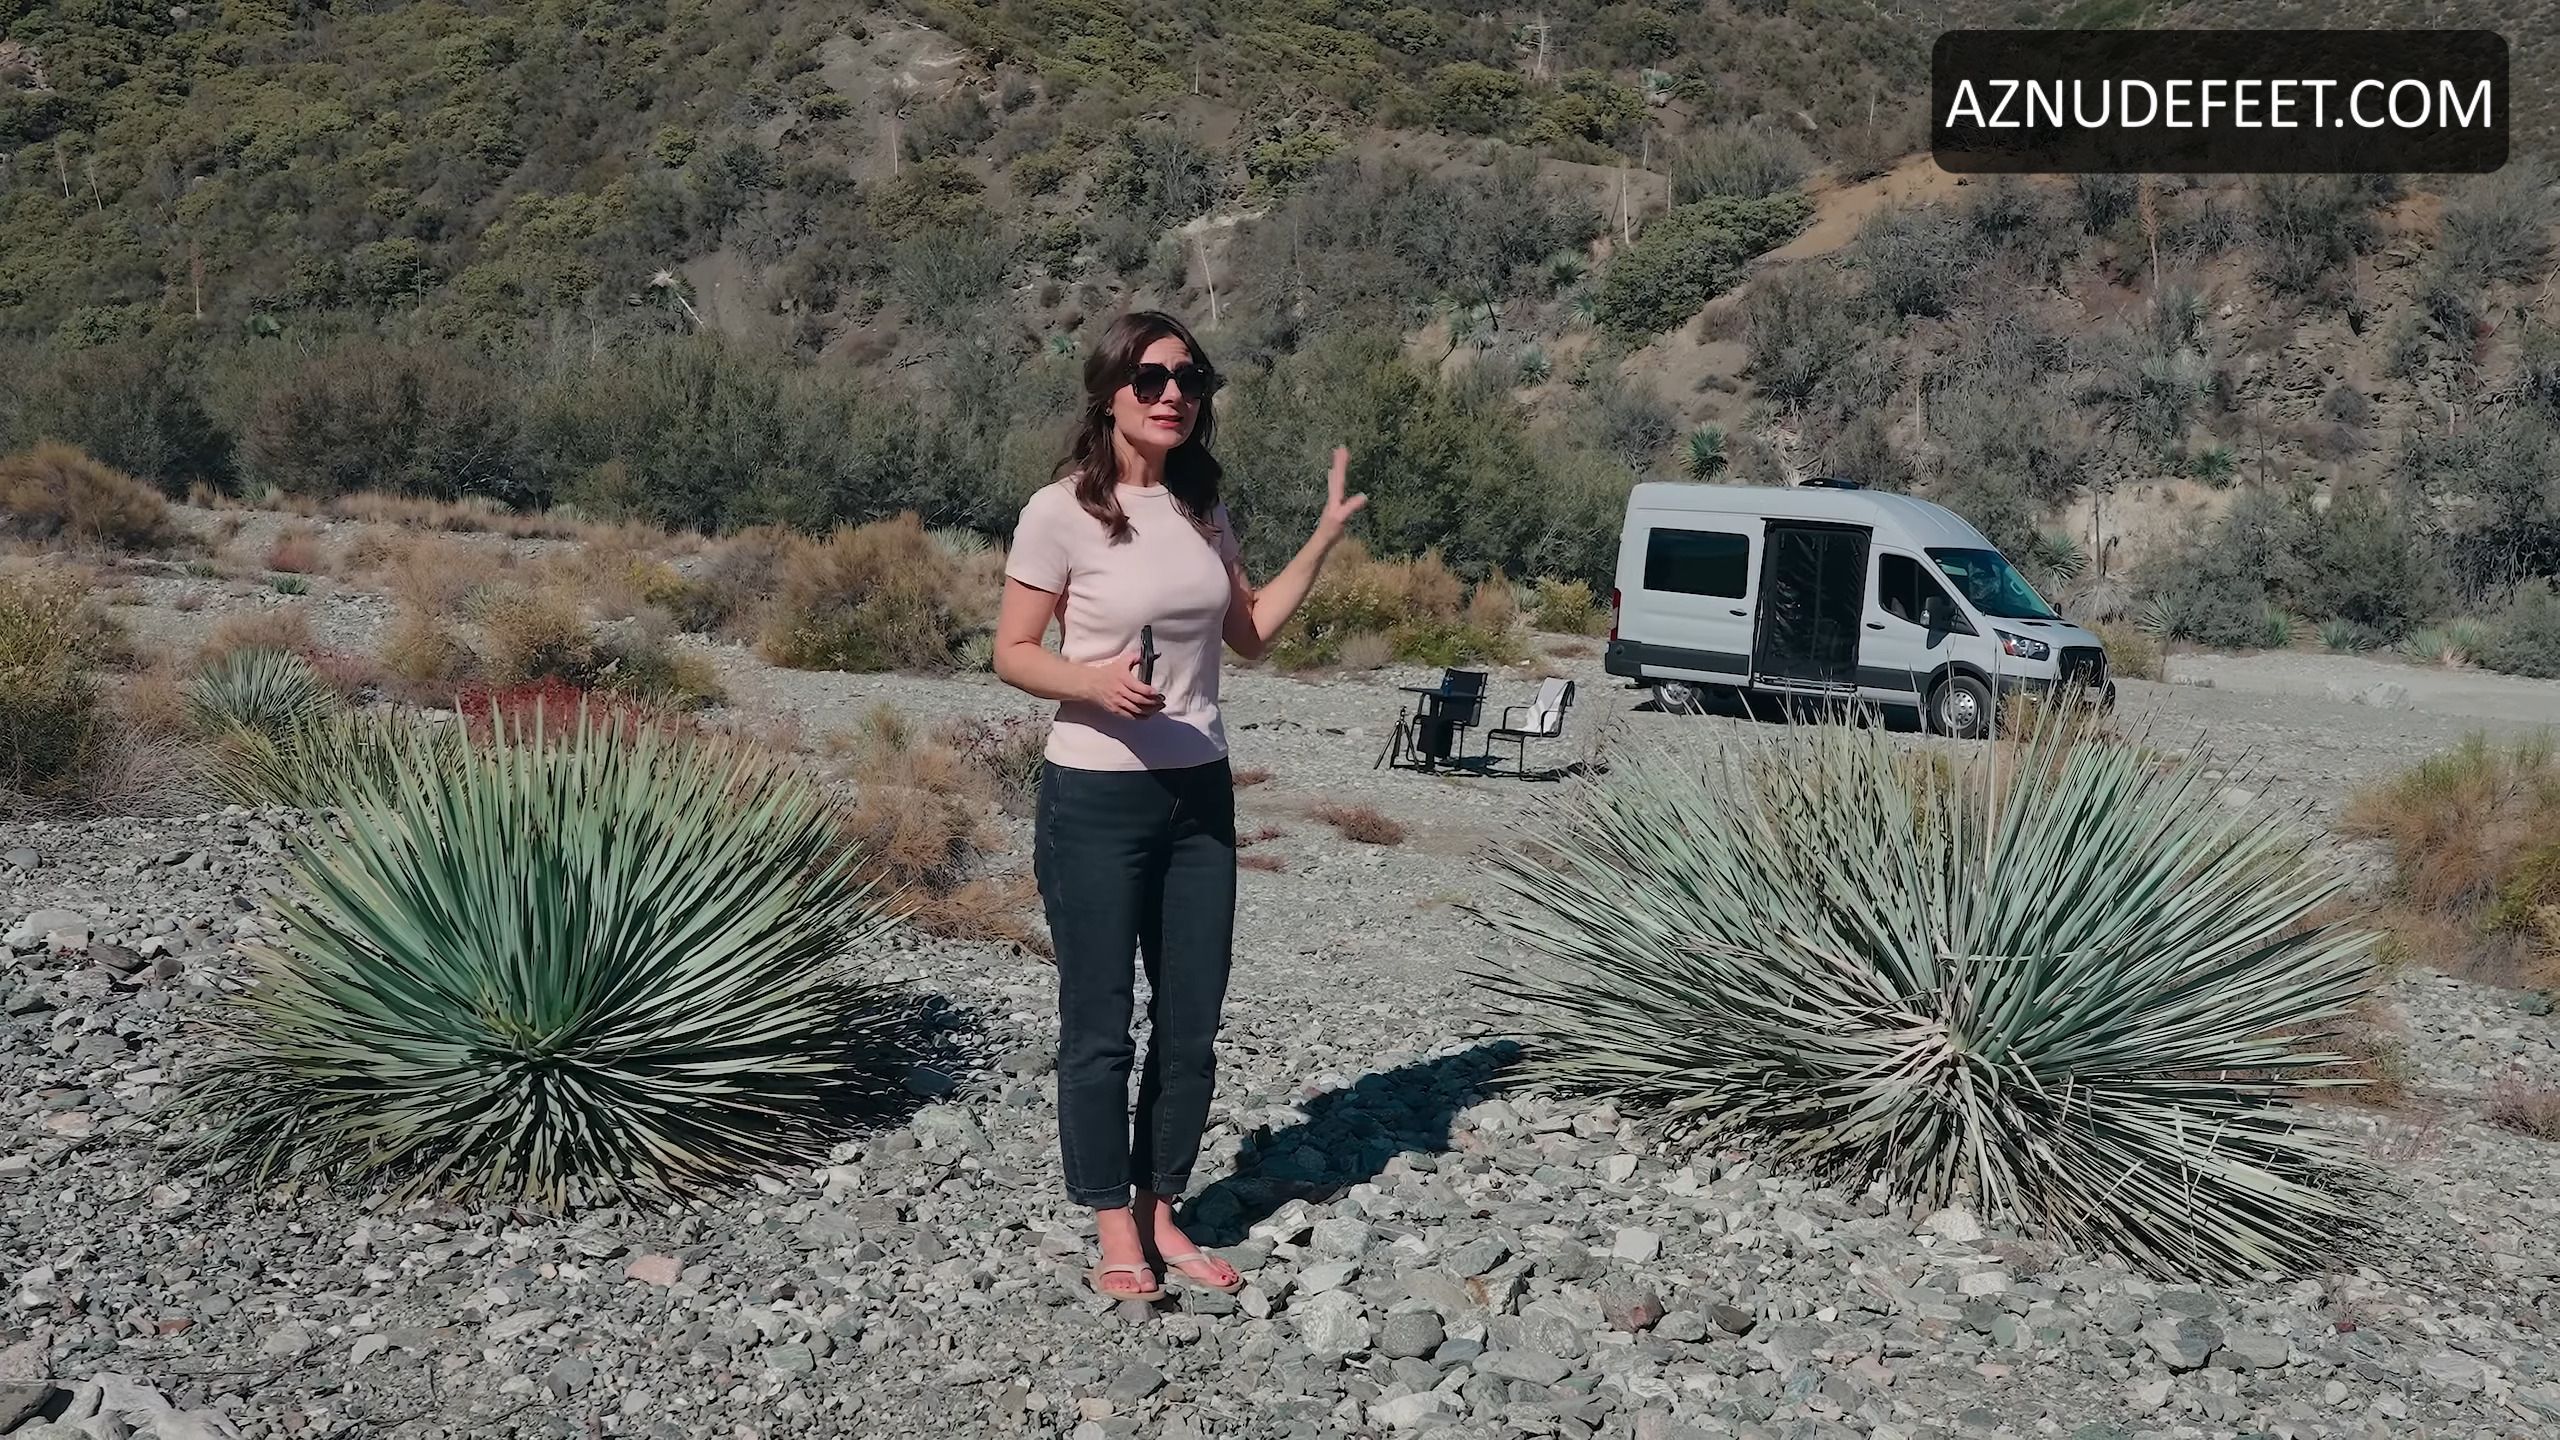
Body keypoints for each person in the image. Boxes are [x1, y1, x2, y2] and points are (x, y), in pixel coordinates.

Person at [994, 311, 1366, 1301]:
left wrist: (1323, 539)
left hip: (1199, 793)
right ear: (1109, 391)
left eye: (1191, 379)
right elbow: (1012, 651)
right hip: (1094, 798)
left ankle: (1163, 1207)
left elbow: (1251, 634)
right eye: (1152, 378)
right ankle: (1113, 1224)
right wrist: (1091, 682)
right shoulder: (1059, 511)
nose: (1174, 396)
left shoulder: (1202, 508)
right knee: (1101, 1025)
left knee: (1192, 1022)